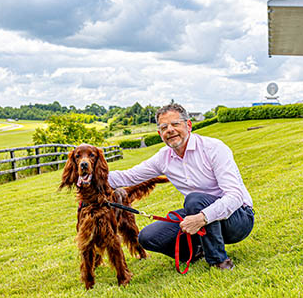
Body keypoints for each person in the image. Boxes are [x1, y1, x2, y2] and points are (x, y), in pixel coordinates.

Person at [108, 103, 254, 270]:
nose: (170, 130)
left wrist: (202, 218)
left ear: (189, 125)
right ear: (159, 133)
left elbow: (235, 196)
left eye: (175, 124)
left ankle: (220, 262)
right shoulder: (163, 157)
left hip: (238, 219)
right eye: (164, 127)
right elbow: (128, 176)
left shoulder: (214, 148)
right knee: (147, 237)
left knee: (194, 199)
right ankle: (196, 252)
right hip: (197, 210)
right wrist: (89, 177)